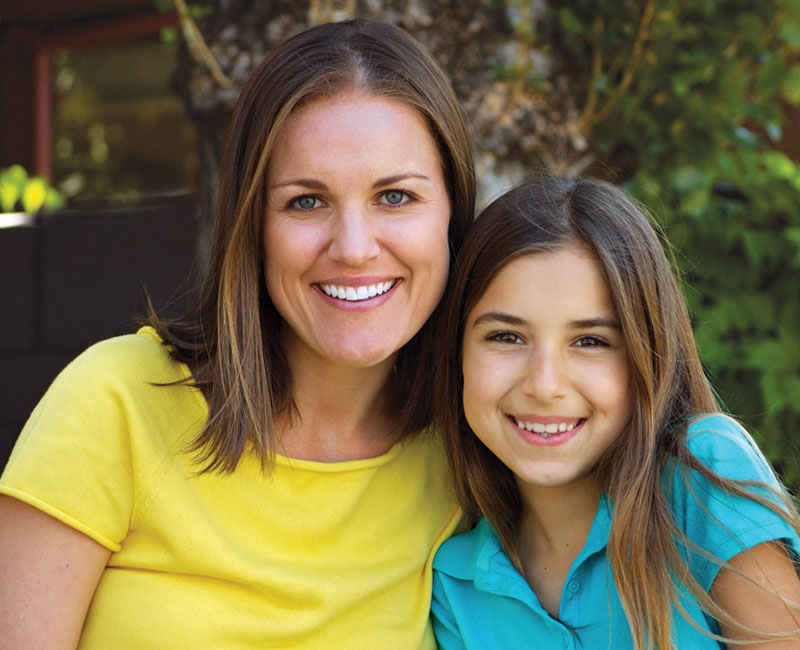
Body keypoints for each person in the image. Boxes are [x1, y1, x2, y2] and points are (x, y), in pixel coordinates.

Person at [0, 19, 475, 649]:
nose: (355, 249)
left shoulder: (473, 448)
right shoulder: (117, 401)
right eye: (306, 201)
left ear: (452, 211)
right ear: (252, 223)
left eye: (395, 196)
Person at [430, 176, 800, 649]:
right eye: (506, 337)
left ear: (646, 355)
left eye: (590, 342)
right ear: (456, 352)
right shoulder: (455, 585)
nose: (545, 385)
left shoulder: (702, 478)